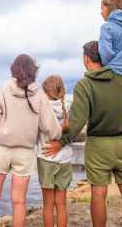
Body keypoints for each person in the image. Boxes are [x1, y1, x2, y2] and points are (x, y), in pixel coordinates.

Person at [44, 41, 122, 227]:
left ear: (86, 59)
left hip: (98, 144)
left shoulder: (84, 84)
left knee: (98, 194)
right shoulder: (121, 78)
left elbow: (77, 121)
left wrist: (62, 142)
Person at [0, 54, 61, 227]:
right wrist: (58, 136)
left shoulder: (2, 89)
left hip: (0, 149)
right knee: (19, 202)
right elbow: (51, 126)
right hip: (25, 153)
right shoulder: (39, 93)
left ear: (13, 70)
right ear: (34, 72)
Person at [36, 75, 72, 227]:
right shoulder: (69, 104)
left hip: (46, 159)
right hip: (65, 160)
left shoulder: (41, 107)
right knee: (61, 204)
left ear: (45, 91)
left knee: (48, 205)